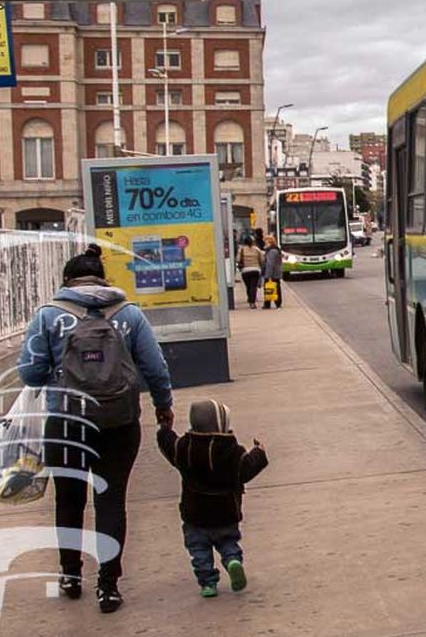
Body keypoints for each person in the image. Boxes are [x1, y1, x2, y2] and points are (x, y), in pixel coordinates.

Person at [17, 244, 175, 614]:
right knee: (111, 500)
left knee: (69, 499)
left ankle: (71, 575)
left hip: (67, 423)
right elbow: (156, 368)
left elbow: (30, 373)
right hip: (118, 421)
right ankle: (108, 585)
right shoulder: (129, 314)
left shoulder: (48, 316)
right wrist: (163, 406)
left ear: (67, 281)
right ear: (103, 280)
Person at [157, 399, 269, 597]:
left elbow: (168, 444)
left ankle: (208, 583)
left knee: (199, 551)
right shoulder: (231, 451)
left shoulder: (185, 448)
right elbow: (247, 468)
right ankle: (233, 561)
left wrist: (165, 428)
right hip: (225, 514)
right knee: (228, 542)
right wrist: (259, 453)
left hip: (194, 516)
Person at [236, 236, 263, 309]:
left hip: (245, 271)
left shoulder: (241, 250)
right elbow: (262, 259)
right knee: (253, 286)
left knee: (248, 286)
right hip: (255, 270)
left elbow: (238, 259)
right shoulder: (257, 249)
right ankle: (252, 302)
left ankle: (249, 298)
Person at [261, 235, 284, 309]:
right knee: (276, 287)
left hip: (272, 274)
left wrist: (268, 276)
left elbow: (270, 264)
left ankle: (268, 303)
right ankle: (277, 303)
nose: (265, 243)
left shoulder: (272, 251)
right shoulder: (275, 249)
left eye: (266, 241)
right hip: (276, 273)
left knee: (269, 288)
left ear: (269, 242)